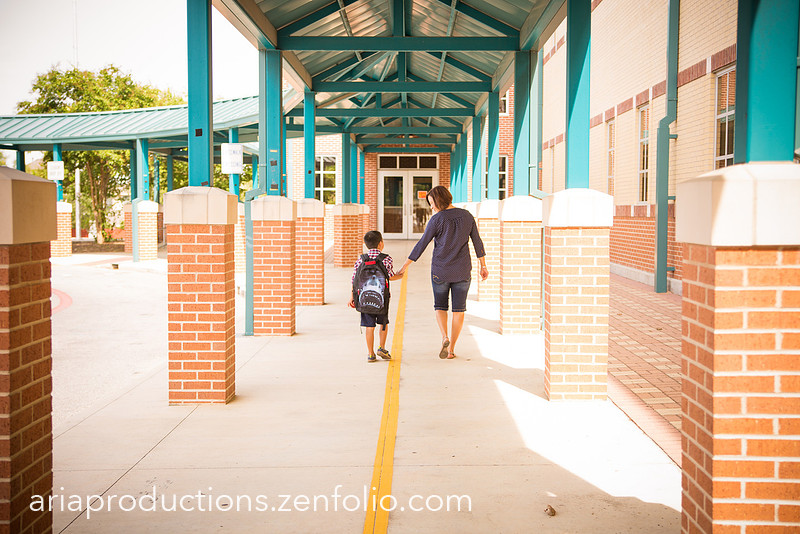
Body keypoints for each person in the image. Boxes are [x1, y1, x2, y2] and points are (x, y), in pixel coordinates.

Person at [397, 186, 488, 360]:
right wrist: (483, 265)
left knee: (440, 306)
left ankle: (445, 337)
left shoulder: (437, 220)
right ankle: (451, 349)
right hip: (462, 270)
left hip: (440, 271)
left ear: (439, 200)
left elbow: (422, 244)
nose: (431, 207)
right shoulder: (467, 216)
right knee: (459, 310)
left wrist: (405, 266)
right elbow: (477, 242)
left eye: (432, 203)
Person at [349, 230, 404, 363]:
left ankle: (370, 353)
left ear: (365, 244)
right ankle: (382, 348)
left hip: (365, 300)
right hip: (382, 299)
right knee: (383, 323)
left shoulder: (361, 260)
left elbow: (354, 280)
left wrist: (352, 297)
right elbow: (390, 276)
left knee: (369, 326)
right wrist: (400, 276)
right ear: (380, 244)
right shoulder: (386, 259)